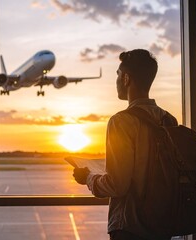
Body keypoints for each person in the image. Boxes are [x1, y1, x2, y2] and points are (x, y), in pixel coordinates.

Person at [73, 49, 178, 240]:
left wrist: (88, 177)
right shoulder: (169, 120)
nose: (116, 81)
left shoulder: (121, 122)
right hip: (162, 225)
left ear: (126, 79)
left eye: (118, 75)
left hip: (131, 228)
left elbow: (117, 185)